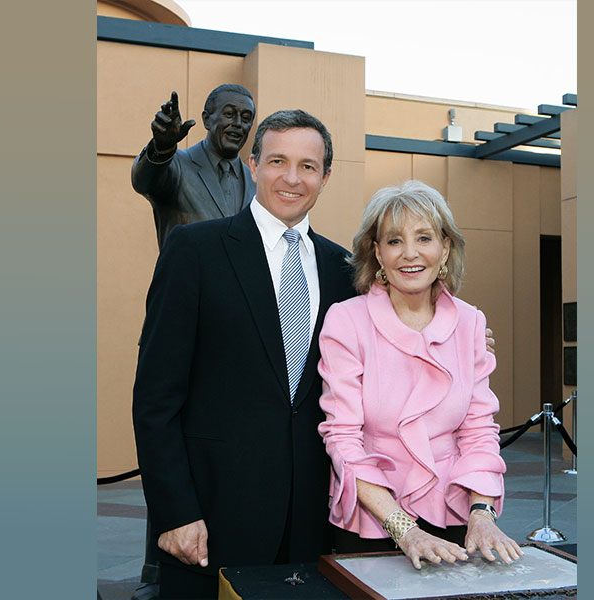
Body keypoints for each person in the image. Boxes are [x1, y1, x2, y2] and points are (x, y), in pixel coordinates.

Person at [132, 109, 356, 599]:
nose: (292, 178)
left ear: (326, 176)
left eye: (308, 166)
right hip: (209, 526)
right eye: (277, 160)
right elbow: (155, 398)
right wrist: (175, 513)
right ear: (254, 164)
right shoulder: (194, 250)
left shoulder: (344, 269)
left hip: (313, 530)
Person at [316, 180, 524, 570]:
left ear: (445, 247)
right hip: (373, 519)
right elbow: (343, 439)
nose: (409, 253)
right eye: (394, 241)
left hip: (453, 515)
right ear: (376, 252)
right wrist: (404, 529)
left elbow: (479, 431)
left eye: (424, 238)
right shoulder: (346, 321)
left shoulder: (471, 323)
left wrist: (481, 514)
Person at [131, 85, 256, 250]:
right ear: (207, 120)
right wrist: (161, 148)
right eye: (229, 114)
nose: (238, 124)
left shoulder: (256, 182)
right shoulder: (177, 164)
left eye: (246, 118)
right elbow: (143, 182)